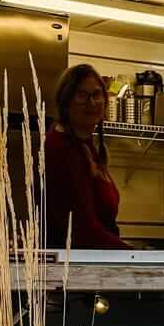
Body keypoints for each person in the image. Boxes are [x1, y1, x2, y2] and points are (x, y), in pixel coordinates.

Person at [44, 65, 122, 250]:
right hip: (70, 267)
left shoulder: (85, 145)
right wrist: (132, 255)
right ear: (66, 101)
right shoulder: (61, 148)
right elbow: (83, 231)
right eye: (81, 95)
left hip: (88, 262)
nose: (92, 103)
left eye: (96, 94)